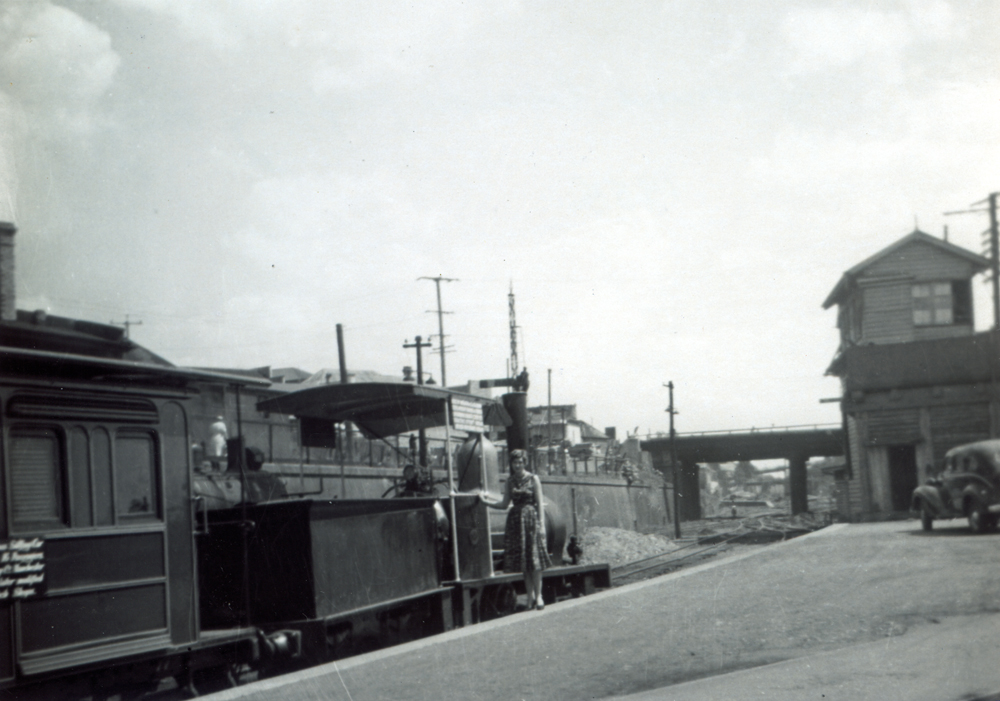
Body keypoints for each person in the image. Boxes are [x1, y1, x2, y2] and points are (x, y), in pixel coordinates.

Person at [482, 449, 551, 610]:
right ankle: (530, 598)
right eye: (515, 463)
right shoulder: (510, 481)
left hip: (531, 520)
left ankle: (539, 596)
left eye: (520, 462)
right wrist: (486, 502)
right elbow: (504, 504)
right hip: (515, 523)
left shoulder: (534, 479)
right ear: (511, 464)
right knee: (524, 563)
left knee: (535, 561)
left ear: (524, 462)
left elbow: (539, 503)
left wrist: (541, 525)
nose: (517, 465)